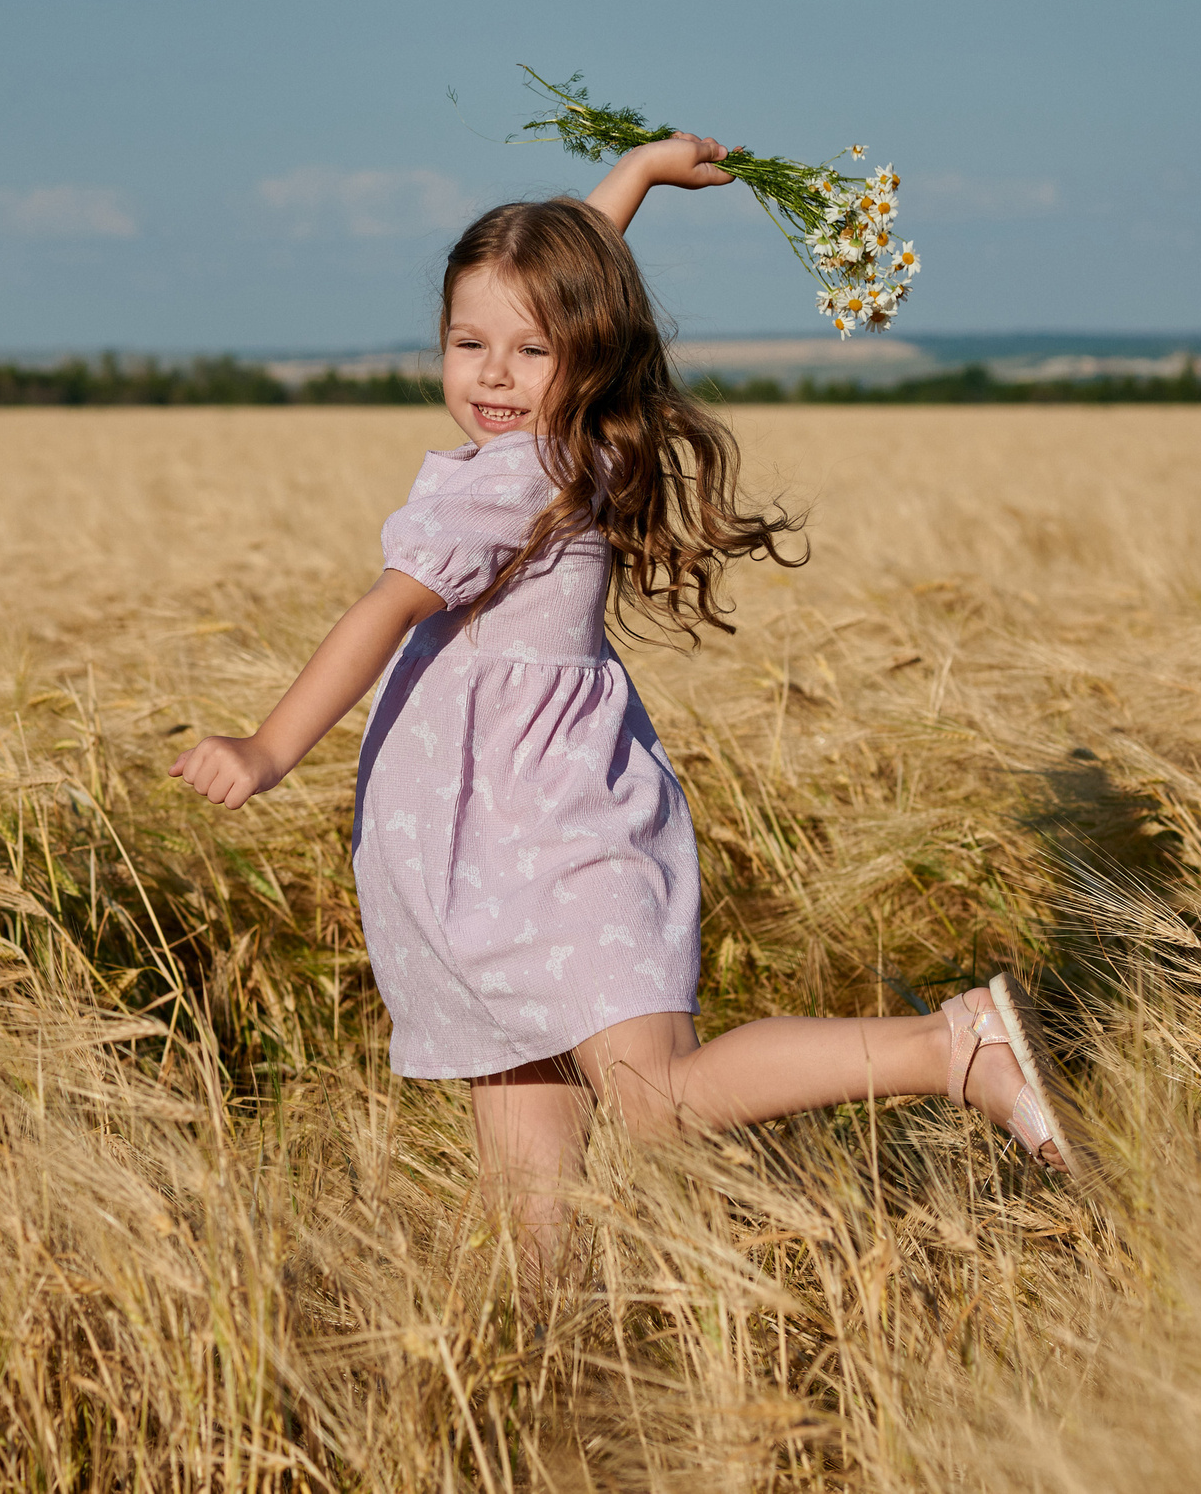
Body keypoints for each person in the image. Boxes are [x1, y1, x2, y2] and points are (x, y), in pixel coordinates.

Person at [170, 132, 1074, 1263]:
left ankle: (951, 1047)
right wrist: (632, 179)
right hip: (477, 860)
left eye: (528, 350)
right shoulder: (571, 443)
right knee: (528, 1193)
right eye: (467, 343)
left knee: (650, 1100)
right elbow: (571, 283)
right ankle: (549, 1381)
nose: (492, 374)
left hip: (543, 840)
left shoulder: (507, 483)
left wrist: (266, 748)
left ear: (585, 359)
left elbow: (382, 613)